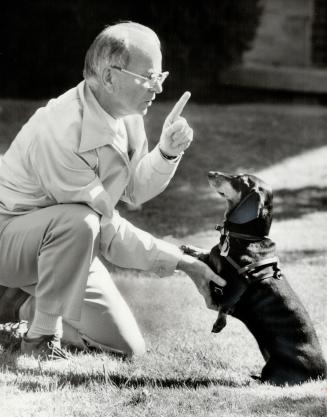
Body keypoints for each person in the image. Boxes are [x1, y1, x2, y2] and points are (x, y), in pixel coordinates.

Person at [0, 22, 225, 359]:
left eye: (160, 78)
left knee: (127, 348)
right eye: (149, 78)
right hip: (10, 241)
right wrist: (184, 263)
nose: (158, 89)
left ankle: (14, 304)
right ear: (109, 77)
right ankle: (41, 340)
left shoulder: (126, 116)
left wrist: (166, 151)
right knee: (80, 222)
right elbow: (105, 232)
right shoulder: (61, 129)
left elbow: (133, 191)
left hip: (64, 249)